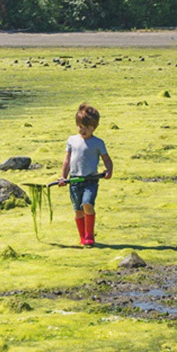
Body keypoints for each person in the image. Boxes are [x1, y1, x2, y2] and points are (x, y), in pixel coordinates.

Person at [58, 103, 113, 246]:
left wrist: (109, 170)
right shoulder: (72, 140)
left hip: (91, 180)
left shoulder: (98, 143)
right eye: (80, 126)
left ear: (94, 127)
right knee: (78, 211)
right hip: (74, 181)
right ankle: (82, 237)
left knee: (87, 204)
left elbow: (107, 159)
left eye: (87, 128)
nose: (83, 130)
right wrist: (63, 177)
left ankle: (89, 235)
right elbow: (67, 160)